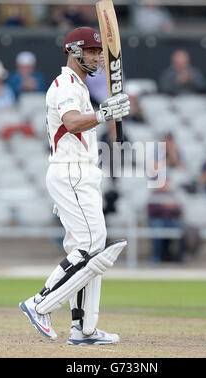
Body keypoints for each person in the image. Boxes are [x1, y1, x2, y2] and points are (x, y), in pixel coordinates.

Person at [19, 27, 130, 344]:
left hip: (80, 172)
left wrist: (106, 111)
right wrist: (105, 112)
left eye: (99, 52)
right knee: (90, 245)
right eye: (92, 52)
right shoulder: (66, 84)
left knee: (89, 249)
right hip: (71, 172)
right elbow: (70, 122)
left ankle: (84, 329)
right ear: (75, 51)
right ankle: (39, 303)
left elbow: (84, 123)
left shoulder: (78, 86)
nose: (97, 57)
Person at [147, 178, 184, 262]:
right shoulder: (154, 195)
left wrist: (171, 207)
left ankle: (179, 256)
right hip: (157, 220)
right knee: (157, 226)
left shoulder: (172, 195)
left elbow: (179, 211)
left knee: (182, 227)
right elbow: (151, 211)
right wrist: (164, 206)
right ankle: (156, 255)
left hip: (170, 221)